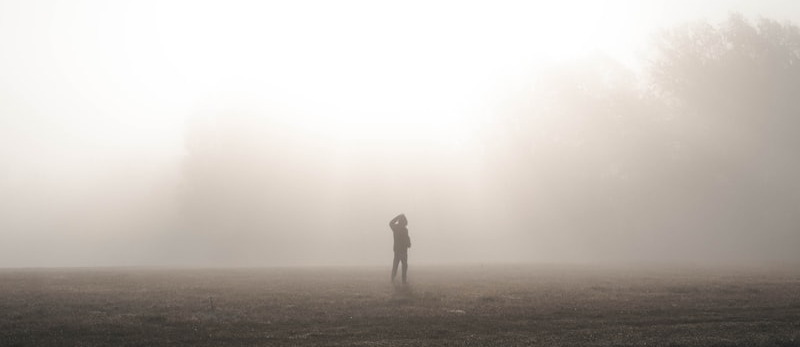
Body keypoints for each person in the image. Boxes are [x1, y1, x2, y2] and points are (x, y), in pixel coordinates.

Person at [389, 213, 411, 283]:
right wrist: (408, 243)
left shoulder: (396, 228)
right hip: (401, 250)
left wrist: (398, 217)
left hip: (399, 250)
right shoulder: (401, 229)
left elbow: (391, 223)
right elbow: (407, 238)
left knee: (397, 265)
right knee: (403, 266)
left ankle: (394, 279)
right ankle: (402, 280)